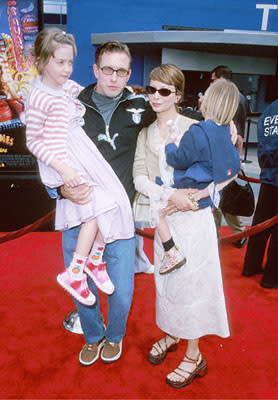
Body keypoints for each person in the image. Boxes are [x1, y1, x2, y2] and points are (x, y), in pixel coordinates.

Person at [47, 39, 188, 366]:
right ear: (95, 70)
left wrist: (218, 126)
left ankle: (115, 335)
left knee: (122, 292)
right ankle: (94, 335)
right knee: (81, 282)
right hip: (79, 215)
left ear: (128, 74)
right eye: (107, 69)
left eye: (121, 71)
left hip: (121, 218)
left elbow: (173, 113)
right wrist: (59, 190)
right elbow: (48, 151)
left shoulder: (139, 106)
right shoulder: (71, 105)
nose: (113, 77)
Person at [133, 63, 240, 388]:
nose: (155, 96)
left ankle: (194, 356)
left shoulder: (200, 125)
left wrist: (200, 193)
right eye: (150, 89)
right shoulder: (145, 133)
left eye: (164, 91)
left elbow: (229, 170)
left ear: (178, 95)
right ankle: (172, 334)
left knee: (192, 286)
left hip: (195, 221)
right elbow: (139, 176)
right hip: (166, 217)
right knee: (168, 285)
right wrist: (170, 195)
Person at [24, 28, 136, 307]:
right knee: (99, 207)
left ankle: (93, 261)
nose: (66, 68)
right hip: (61, 163)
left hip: (74, 158)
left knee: (106, 203)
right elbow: (33, 141)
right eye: (59, 62)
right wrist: (62, 170)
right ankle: (76, 271)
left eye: (69, 62)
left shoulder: (69, 88)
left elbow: (83, 91)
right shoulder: (37, 96)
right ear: (42, 61)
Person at [209, 65, 248, 248]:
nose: (212, 84)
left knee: (224, 200)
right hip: (224, 156)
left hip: (225, 158)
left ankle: (238, 233)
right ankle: (218, 235)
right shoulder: (237, 97)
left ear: (222, 79)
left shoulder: (232, 99)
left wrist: (235, 159)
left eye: (213, 80)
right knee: (218, 199)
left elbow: (238, 135)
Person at [242, 98, 278, 288]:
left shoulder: (270, 109)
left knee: (261, 224)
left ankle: (251, 266)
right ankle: (272, 277)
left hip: (268, 176)